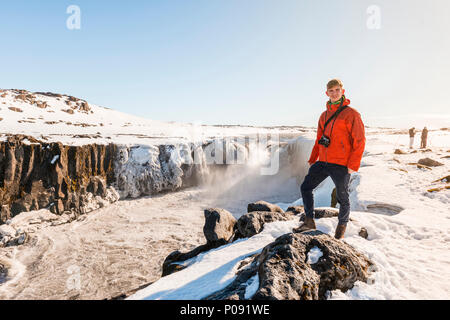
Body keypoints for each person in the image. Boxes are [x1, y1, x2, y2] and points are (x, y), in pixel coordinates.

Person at [293, 79, 366, 239]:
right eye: (331, 91)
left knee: (342, 196)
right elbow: (320, 139)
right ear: (327, 93)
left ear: (342, 91)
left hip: (341, 163)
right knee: (306, 187)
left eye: (337, 90)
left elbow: (359, 140)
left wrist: (353, 164)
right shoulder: (324, 115)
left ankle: (341, 228)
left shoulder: (351, 114)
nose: (334, 93)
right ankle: (309, 221)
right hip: (323, 161)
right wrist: (313, 158)